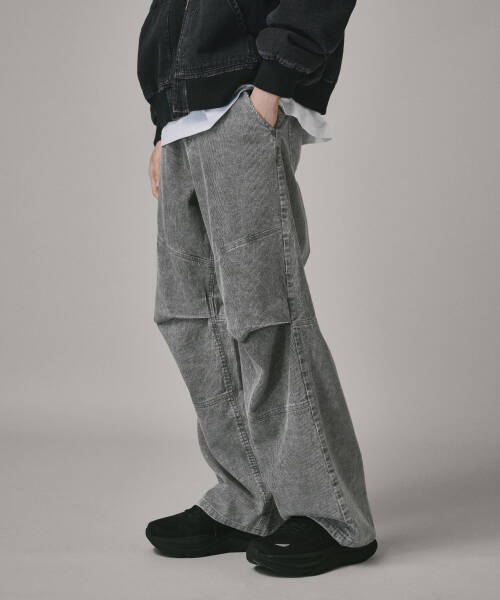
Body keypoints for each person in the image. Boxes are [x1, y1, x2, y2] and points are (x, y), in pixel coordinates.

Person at [137, 0, 377, 577]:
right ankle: (248, 500)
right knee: (188, 315)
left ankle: (331, 514)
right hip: (184, 115)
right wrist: (164, 121)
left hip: (245, 95)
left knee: (267, 309)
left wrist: (273, 84)